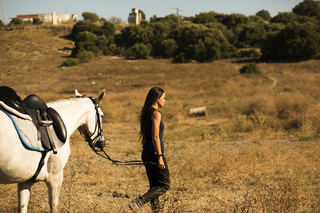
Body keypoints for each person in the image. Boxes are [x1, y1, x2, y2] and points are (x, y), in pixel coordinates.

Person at [129, 87, 170, 212]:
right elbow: (156, 137)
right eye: (163, 98)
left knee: (154, 186)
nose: (165, 101)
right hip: (154, 153)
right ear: (157, 99)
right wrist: (160, 157)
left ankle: (156, 211)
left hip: (146, 153)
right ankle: (139, 202)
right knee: (164, 185)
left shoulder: (147, 112)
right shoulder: (156, 114)